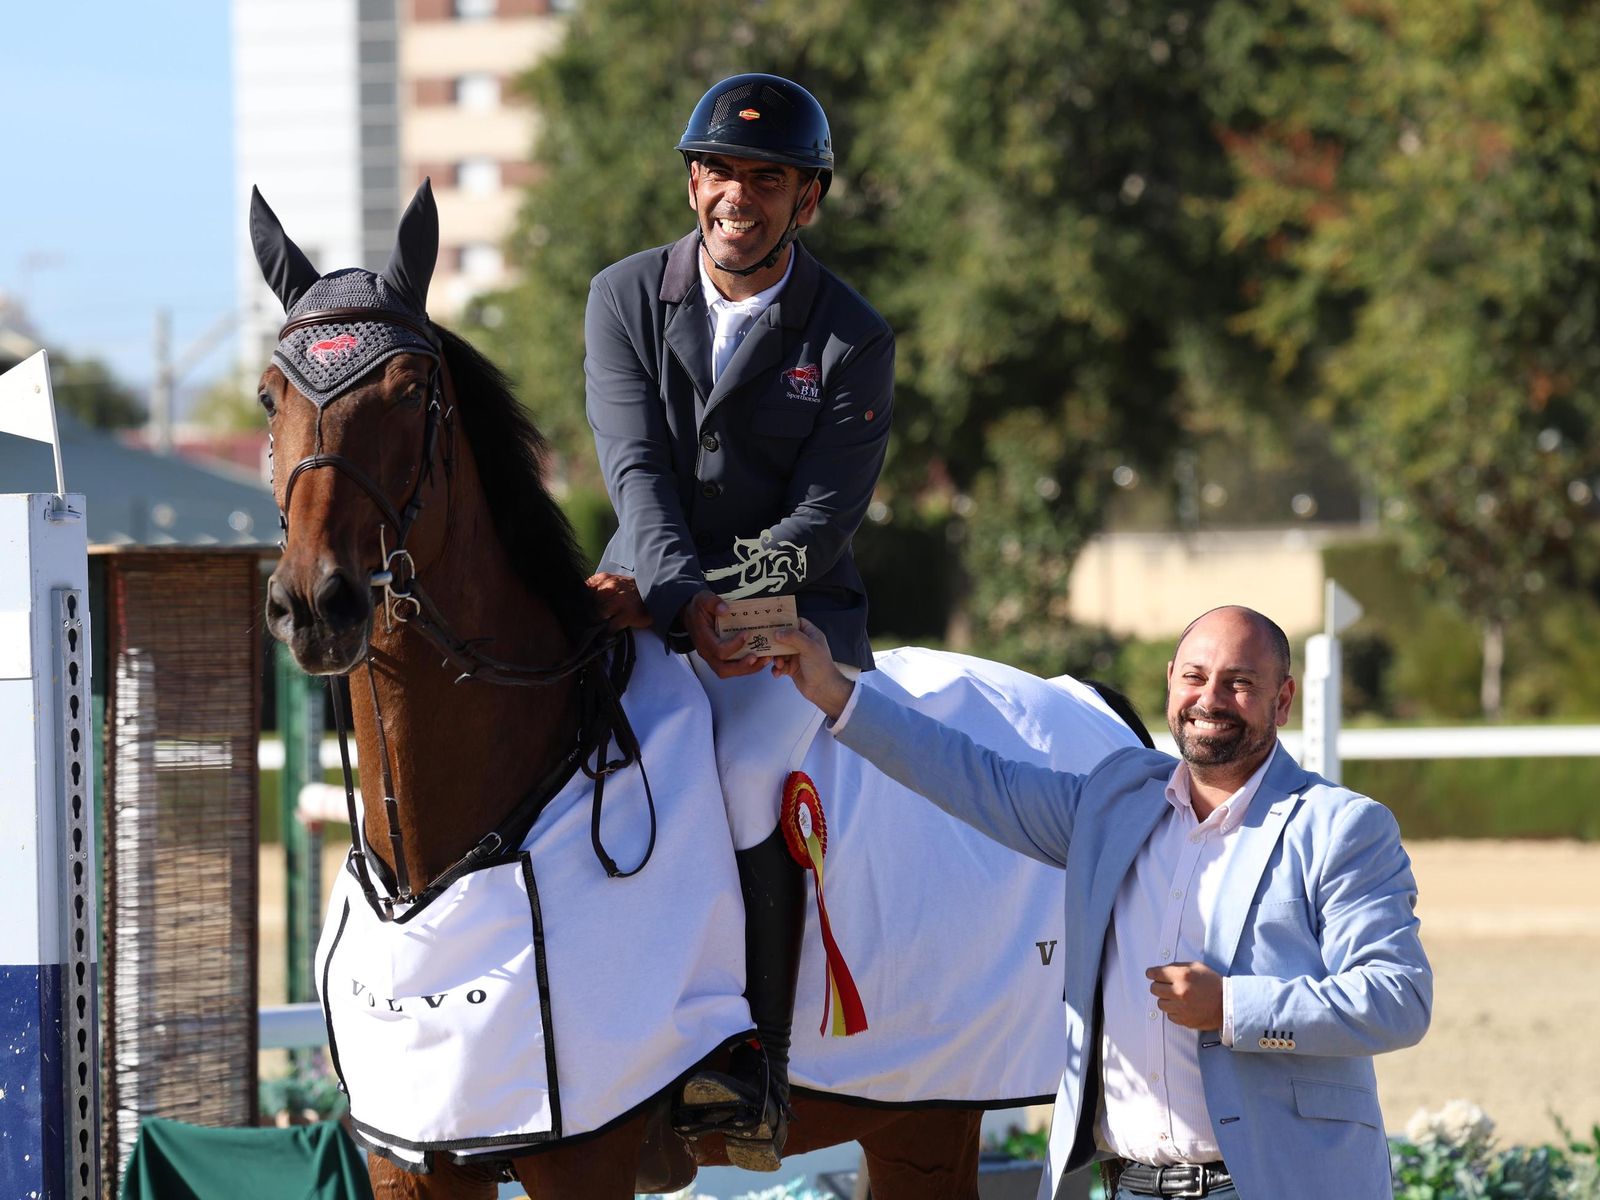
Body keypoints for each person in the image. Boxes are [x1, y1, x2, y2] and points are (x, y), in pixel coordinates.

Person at [769, 605, 1432, 1200]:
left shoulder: (1343, 827)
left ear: (1283, 699)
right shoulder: (1116, 801)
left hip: (1276, 1183)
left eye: (1240, 682)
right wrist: (836, 696)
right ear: (1171, 681)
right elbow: (975, 776)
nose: (1212, 699)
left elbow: (1398, 1000)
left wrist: (1232, 1007)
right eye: (1196, 677)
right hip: (1132, 1185)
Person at [583, 72, 894, 1170]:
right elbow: (634, 470)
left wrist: (733, 607)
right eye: (720, 171)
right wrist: (680, 599)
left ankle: (747, 1061)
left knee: (738, 779)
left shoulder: (851, 336)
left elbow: (821, 514)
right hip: (651, 595)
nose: (737, 197)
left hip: (791, 616)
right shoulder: (623, 296)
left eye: (767, 179)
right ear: (691, 180)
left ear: (805, 201)